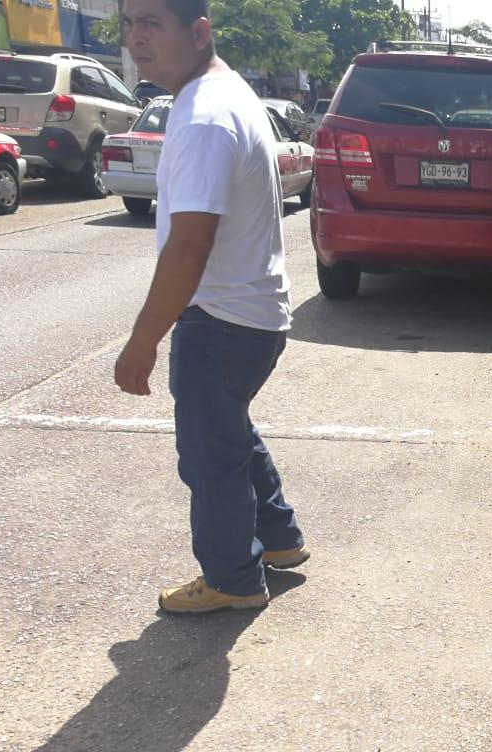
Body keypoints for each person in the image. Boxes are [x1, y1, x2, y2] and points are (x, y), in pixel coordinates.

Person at [113, 0, 308, 615]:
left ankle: (232, 578)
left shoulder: (201, 115)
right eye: (130, 24)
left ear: (199, 33)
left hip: (221, 318)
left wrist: (142, 341)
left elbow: (189, 245)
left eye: (152, 23)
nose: (137, 38)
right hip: (251, 313)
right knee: (228, 430)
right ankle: (277, 539)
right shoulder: (226, 93)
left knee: (209, 453)